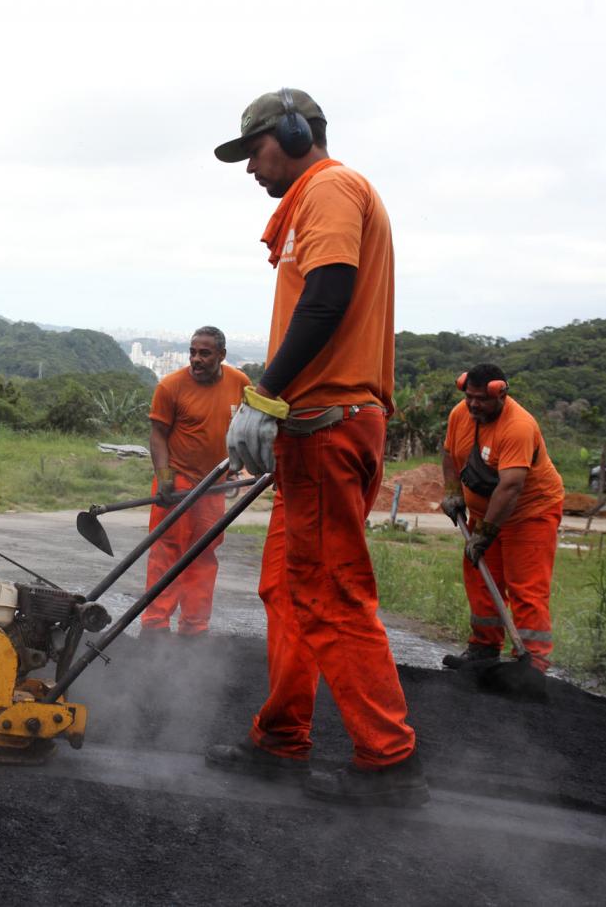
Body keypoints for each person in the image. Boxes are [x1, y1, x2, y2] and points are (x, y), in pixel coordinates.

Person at [203, 88, 426, 807]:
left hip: (329, 426)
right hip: (314, 429)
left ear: (296, 133)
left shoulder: (329, 187)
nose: (249, 169)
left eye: (256, 150)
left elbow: (328, 295)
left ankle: (387, 760)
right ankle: (281, 737)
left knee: (331, 593)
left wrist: (265, 394)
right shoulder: (320, 197)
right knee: (285, 587)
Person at [440, 364, 564, 671]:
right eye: (469, 397)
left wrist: (486, 533)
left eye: (481, 399)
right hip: (486, 513)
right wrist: (453, 491)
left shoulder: (518, 426)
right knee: (481, 577)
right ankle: (484, 648)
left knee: (526, 587)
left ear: (501, 393)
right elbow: (448, 453)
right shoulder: (460, 414)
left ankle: (532, 663)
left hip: (529, 514)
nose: (473, 405)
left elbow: (511, 486)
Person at [142, 325, 250, 636]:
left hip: (214, 485)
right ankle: (155, 627)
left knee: (204, 555)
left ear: (222, 356)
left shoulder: (240, 382)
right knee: (166, 553)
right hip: (176, 481)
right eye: (193, 352)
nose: (196, 359)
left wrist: (238, 467)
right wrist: (164, 477)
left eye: (204, 353)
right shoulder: (170, 386)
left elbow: (245, 426)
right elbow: (157, 435)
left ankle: (194, 628)